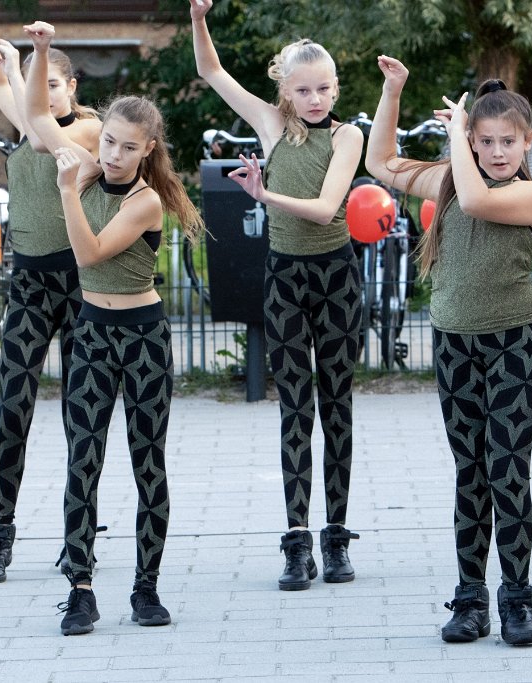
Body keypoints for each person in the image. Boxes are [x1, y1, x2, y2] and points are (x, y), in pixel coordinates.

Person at [22, 20, 204, 636]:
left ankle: (146, 588)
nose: (114, 155)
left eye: (129, 147)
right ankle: (79, 587)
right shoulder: (90, 168)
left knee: (146, 461)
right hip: (93, 334)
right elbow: (36, 117)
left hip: (143, 337)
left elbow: (90, 255)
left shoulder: (144, 201)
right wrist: (42, 51)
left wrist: (68, 191)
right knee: (83, 460)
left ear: (147, 149)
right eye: (109, 144)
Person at [365, 56, 532, 646]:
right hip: (455, 344)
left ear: (527, 142)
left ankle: (516, 599)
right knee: (470, 473)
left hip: (515, 346)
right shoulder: (450, 179)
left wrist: (455, 142)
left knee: (506, 469)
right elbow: (380, 162)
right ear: (475, 139)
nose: (497, 152)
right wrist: (393, 91)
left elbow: (474, 202)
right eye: (486, 141)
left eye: (508, 142)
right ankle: (470, 599)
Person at [189, 0, 364, 591]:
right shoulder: (271, 126)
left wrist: (265, 199)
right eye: (303, 90)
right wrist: (198, 20)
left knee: (336, 406)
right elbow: (211, 72)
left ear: (335, 89)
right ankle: (297, 541)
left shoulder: (347, 137)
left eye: (324, 88)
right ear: (285, 93)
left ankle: (336, 536)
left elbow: (323, 210)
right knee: (296, 409)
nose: (315, 99)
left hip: (336, 276)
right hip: (285, 280)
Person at [0, 0, 101, 584]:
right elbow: (0, 86)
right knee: (14, 407)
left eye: (54, 83)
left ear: (71, 86)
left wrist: (25, 61)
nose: (47, 93)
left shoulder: (85, 128)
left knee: (82, 416)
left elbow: (40, 130)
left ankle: (78, 536)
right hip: (32, 281)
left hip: (83, 285)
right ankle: (0, 531)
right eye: (44, 85)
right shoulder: (30, 119)